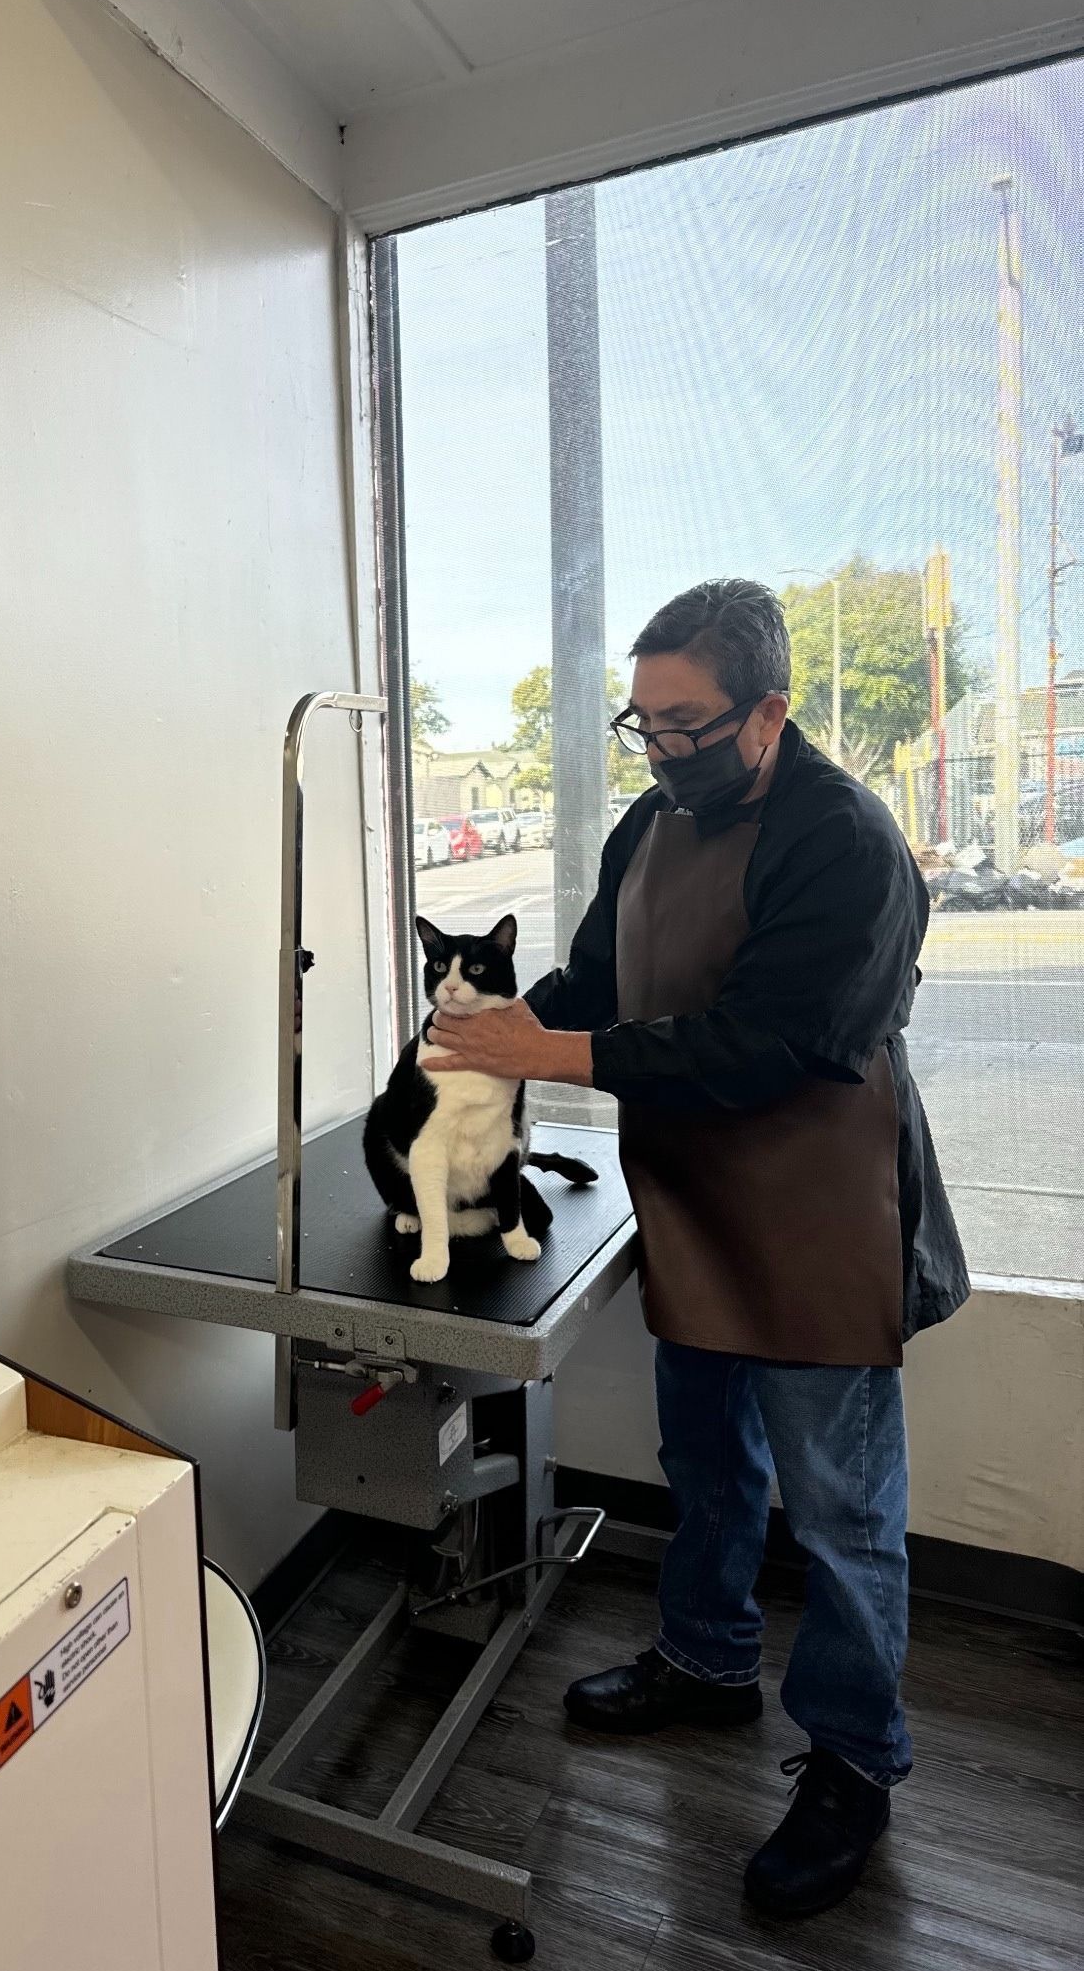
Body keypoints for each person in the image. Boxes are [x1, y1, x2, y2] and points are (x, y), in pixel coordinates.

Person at [426, 578, 969, 1920]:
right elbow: (598, 983)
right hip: (696, 1200)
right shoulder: (649, 824)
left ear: (767, 711)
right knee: (707, 1463)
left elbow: (775, 1042)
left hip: (819, 1216)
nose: (662, 750)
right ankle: (707, 1657)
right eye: (644, 725)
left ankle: (853, 1760)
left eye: (687, 726)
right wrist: (485, 1034)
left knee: (840, 1515)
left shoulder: (844, 840)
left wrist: (553, 1053)